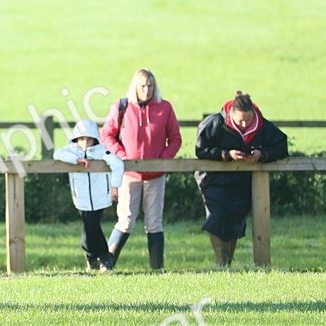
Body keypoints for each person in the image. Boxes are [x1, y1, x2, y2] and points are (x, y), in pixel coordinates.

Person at [194, 91, 289, 268]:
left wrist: (263, 154)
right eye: (240, 121)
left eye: (248, 119)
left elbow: (281, 146)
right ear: (231, 114)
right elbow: (201, 150)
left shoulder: (263, 127)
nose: (245, 124)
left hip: (242, 180)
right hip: (214, 179)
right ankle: (221, 260)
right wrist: (226, 154)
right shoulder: (215, 123)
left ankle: (228, 261)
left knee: (235, 219)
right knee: (217, 216)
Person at [100, 69, 182, 270]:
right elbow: (106, 135)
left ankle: (157, 269)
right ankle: (107, 264)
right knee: (126, 220)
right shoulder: (122, 107)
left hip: (156, 176)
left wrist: (163, 160)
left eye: (151, 86)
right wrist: (122, 155)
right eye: (143, 86)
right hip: (129, 174)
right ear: (135, 87)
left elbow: (175, 139)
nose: (147, 90)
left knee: (154, 222)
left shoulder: (165, 108)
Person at [54, 119, 124, 272]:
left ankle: (102, 258)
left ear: (95, 139)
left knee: (90, 226)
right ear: (76, 139)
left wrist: (114, 187)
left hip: (99, 197)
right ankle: (94, 257)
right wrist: (76, 160)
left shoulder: (100, 151)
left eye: (89, 138)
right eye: (82, 138)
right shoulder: (71, 151)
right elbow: (57, 153)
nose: (85, 142)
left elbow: (118, 164)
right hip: (81, 198)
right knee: (90, 227)